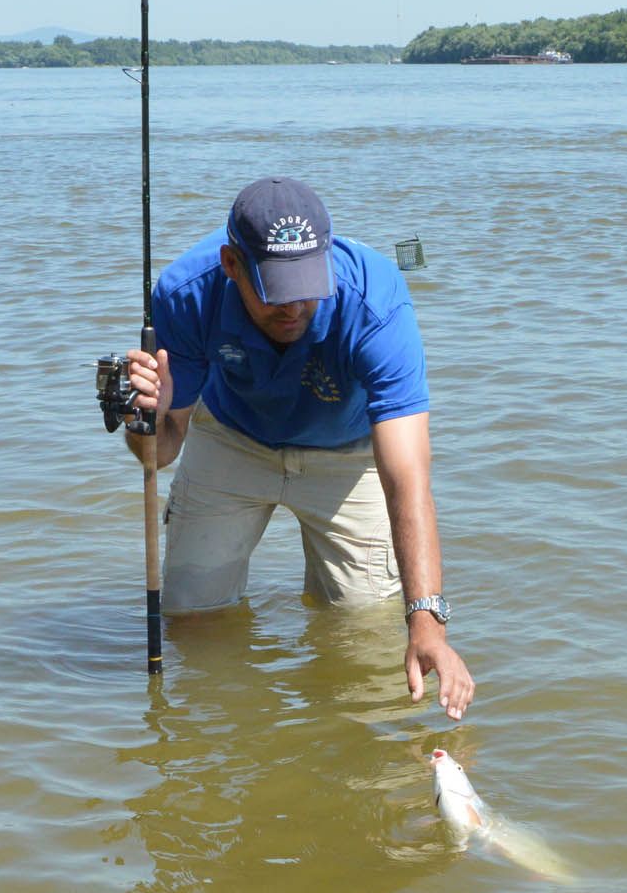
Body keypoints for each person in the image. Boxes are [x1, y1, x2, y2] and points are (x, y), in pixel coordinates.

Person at [122, 177, 474, 721]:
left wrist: (427, 620)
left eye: (307, 284)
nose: (292, 306)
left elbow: (407, 478)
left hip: (347, 450)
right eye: (274, 289)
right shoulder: (185, 294)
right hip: (232, 437)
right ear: (232, 264)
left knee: (361, 626)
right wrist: (143, 421)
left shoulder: (375, 303)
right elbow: (160, 453)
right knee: (191, 613)